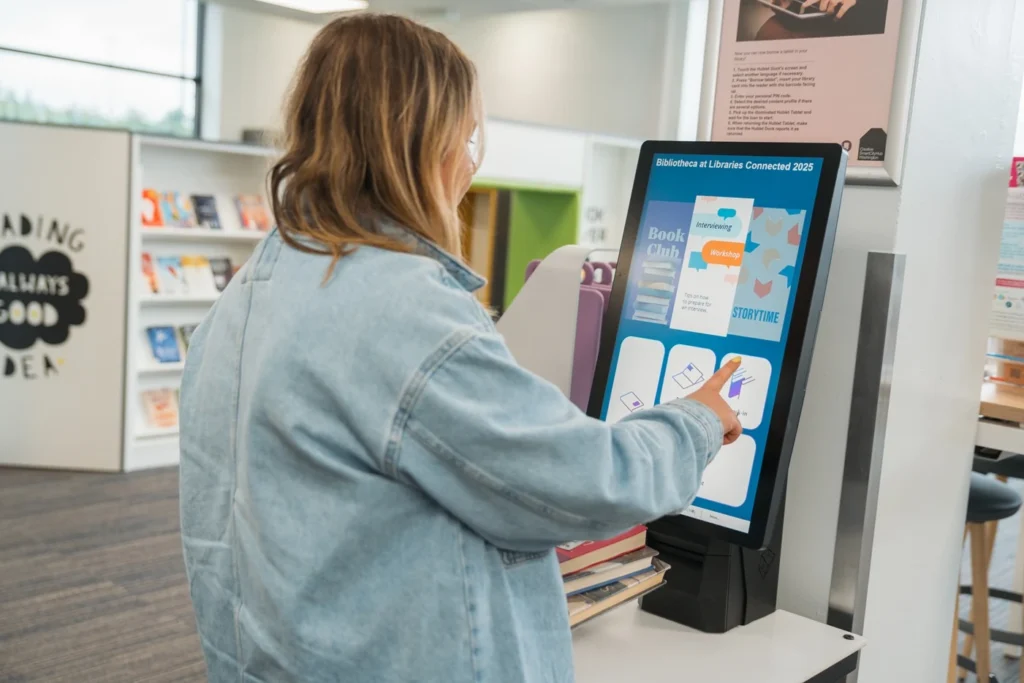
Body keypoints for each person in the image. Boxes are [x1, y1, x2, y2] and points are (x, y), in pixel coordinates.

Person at [178, 13, 741, 683]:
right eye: (469, 136)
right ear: (427, 142)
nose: (471, 164)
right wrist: (696, 420)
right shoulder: (401, 309)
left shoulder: (247, 296)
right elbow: (588, 481)